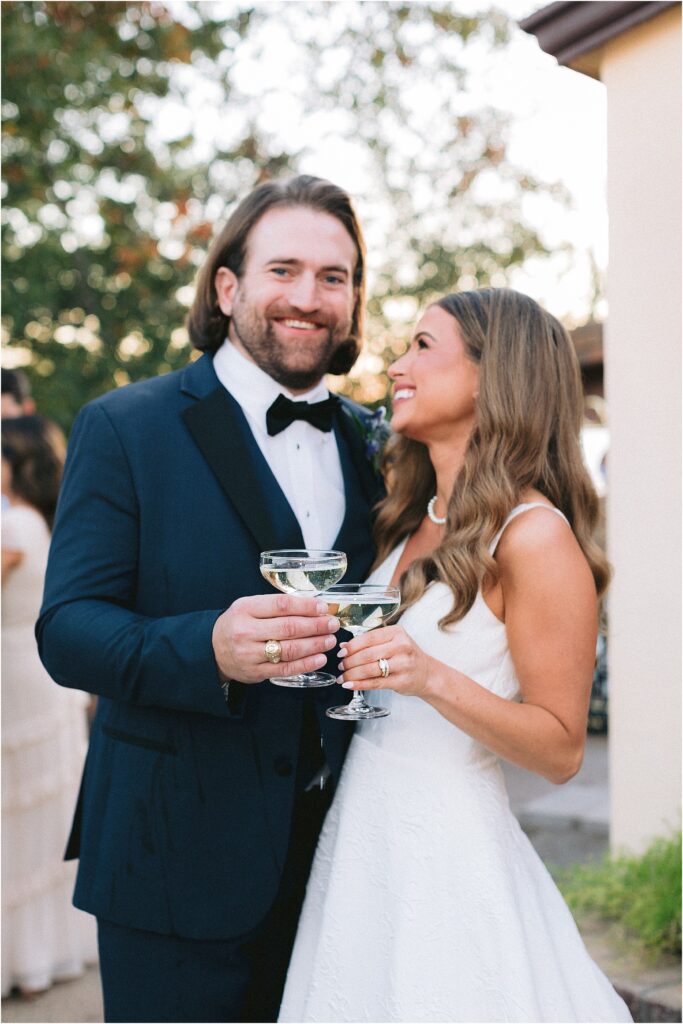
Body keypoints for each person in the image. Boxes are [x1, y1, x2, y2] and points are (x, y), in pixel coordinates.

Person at [36, 175, 383, 1023]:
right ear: (227, 287)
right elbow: (68, 629)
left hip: (351, 863)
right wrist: (209, 649)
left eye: (332, 278)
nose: (308, 298)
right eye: (284, 270)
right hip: (172, 859)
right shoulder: (126, 426)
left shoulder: (383, 442)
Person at [279, 288, 632, 1023]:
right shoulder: (406, 519)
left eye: (421, 347)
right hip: (364, 832)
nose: (396, 366)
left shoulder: (533, 536)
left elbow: (562, 749)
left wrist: (430, 677)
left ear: (489, 375)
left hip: (447, 851)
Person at [2, 415, 97, 998]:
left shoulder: (14, 526)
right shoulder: (46, 519)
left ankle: (22, 959)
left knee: (18, 819)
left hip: (15, 678)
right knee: (41, 815)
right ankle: (47, 954)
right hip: (42, 676)